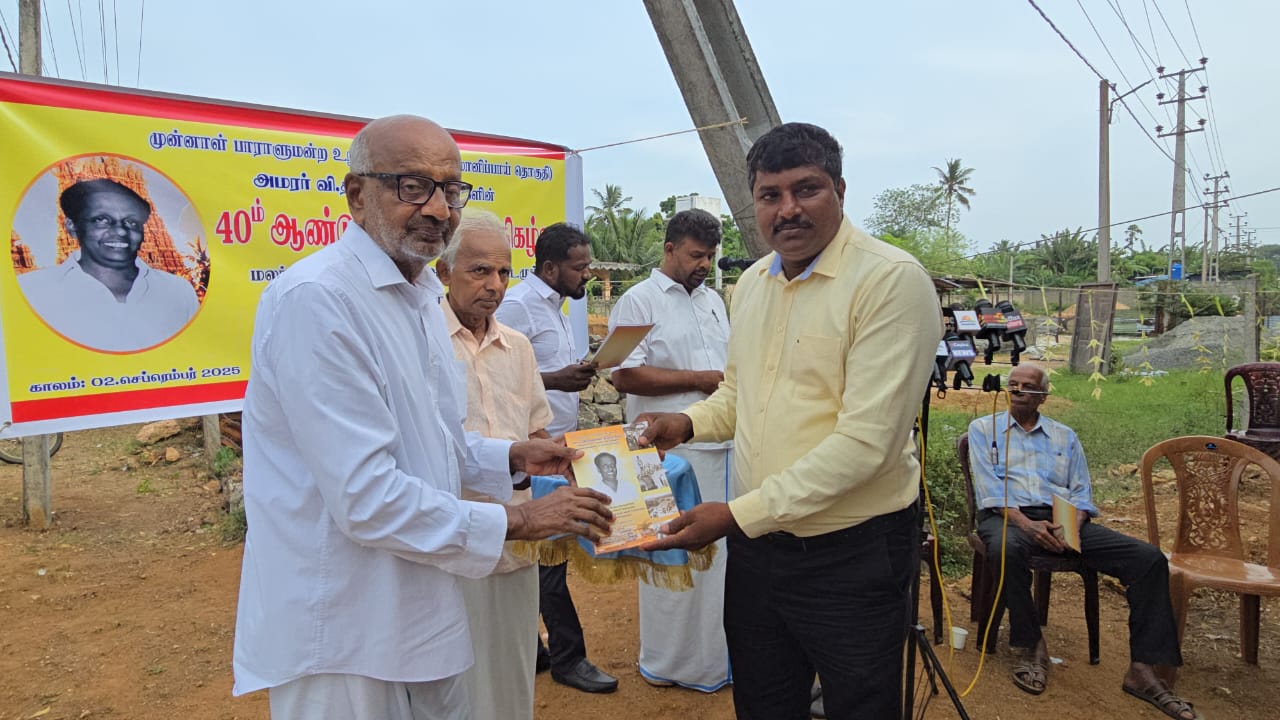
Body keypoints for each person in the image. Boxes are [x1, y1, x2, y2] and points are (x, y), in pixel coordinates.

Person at [232, 115, 613, 720]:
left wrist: (511, 456)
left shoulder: (419, 299)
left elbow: (436, 443)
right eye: (413, 186)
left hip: (421, 605)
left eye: (451, 189)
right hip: (344, 624)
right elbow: (365, 496)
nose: (438, 208)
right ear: (357, 194)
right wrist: (518, 519)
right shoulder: (319, 300)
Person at [638, 122, 942, 720]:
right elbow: (739, 394)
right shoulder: (754, 283)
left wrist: (735, 515)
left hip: (852, 552)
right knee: (764, 700)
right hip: (758, 549)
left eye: (807, 189)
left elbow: (867, 444)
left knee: (861, 706)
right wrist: (687, 424)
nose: (788, 209)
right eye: (770, 195)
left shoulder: (890, 281)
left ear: (840, 190)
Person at [968, 364, 1199, 720]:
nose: (1017, 391)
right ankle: (1032, 645)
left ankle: (1143, 669)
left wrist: (1069, 527)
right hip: (1008, 515)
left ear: (1043, 396)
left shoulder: (1064, 436)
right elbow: (990, 490)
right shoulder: (984, 429)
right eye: (1012, 385)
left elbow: (1080, 492)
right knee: (1006, 549)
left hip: (1061, 517)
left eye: (1027, 386)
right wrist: (1029, 526)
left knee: (1148, 559)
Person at [435, 209, 553, 720]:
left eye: (504, 272)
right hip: (450, 541)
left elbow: (536, 432)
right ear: (444, 271)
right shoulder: (422, 342)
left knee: (511, 672)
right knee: (456, 682)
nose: (496, 285)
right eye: (480, 270)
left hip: (517, 541)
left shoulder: (518, 348)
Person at [608, 207, 732, 692]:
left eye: (710, 256)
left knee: (719, 561)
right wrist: (699, 379)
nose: (704, 264)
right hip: (667, 456)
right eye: (696, 255)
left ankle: (717, 663)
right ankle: (668, 664)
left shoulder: (714, 300)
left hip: (723, 446)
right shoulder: (637, 301)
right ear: (669, 248)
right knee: (670, 554)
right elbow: (623, 374)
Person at [495, 222, 619, 694]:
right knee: (549, 555)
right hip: (525, 451)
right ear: (550, 268)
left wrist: (573, 374)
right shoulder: (517, 306)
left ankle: (534, 649)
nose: (587, 273)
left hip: (557, 445)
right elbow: (498, 373)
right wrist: (555, 380)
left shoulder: (558, 307)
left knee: (542, 554)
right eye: (579, 266)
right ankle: (569, 657)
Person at [19, 178, 199, 352]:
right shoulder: (32, 291)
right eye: (102, 220)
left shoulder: (178, 291)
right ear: (72, 226)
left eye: (131, 222)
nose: (120, 231)